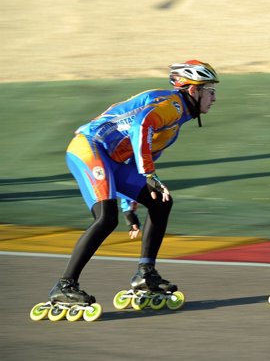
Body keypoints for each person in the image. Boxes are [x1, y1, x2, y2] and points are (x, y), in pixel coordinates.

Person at [49, 60, 219, 305]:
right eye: (210, 91)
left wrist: (129, 207)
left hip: (112, 159)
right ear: (193, 90)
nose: (214, 98)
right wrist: (149, 174)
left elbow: (137, 156)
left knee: (160, 203)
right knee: (105, 217)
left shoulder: (174, 126)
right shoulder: (172, 105)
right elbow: (142, 125)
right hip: (90, 147)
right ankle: (64, 286)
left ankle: (145, 274)